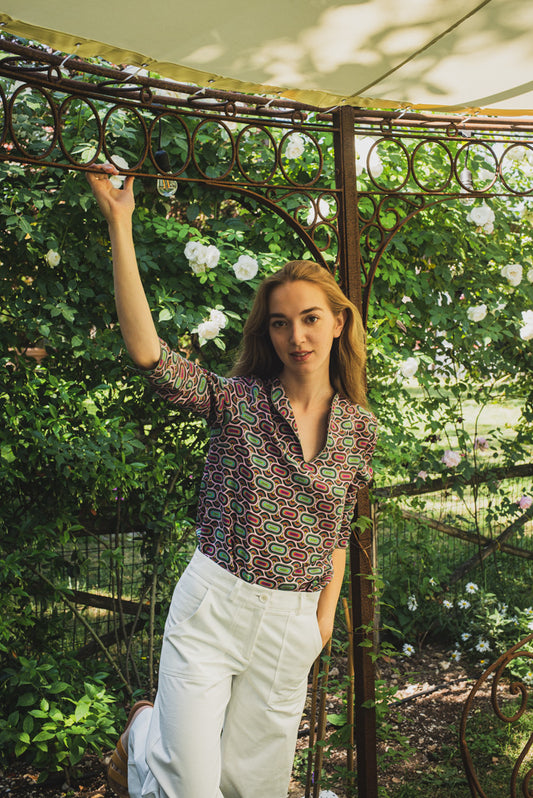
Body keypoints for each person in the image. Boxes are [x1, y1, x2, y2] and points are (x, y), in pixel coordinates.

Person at [86, 163, 378, 798]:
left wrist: (321, 622)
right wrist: (120, 222)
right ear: (267, 331)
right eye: (280, 322)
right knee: (188, 787)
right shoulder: (238, 401)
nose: (296, 335)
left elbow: (336, 532)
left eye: (309, 319)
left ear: (337, 322)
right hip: (215, 607)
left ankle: (150, 739)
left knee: (253, 790)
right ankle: (145, 735)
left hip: (291, 624)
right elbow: (149, 355)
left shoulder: (358, 429)